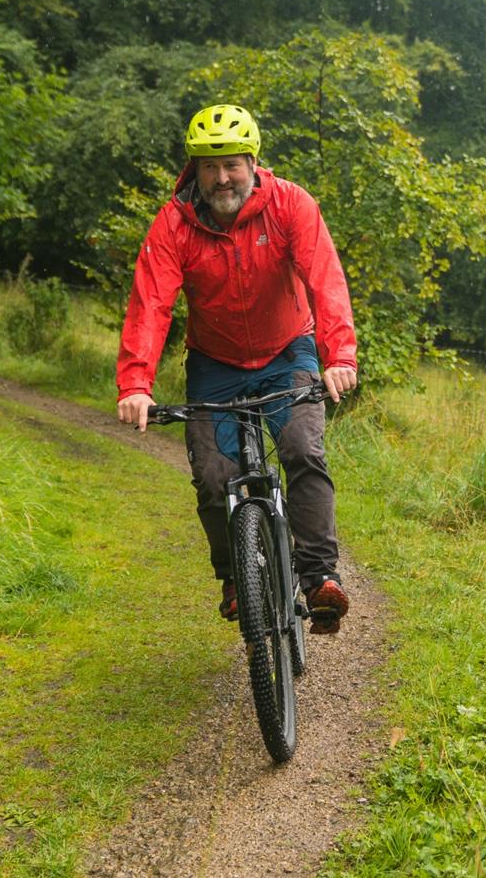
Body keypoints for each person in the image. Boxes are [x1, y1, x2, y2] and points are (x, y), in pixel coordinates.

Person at [114, 104, 358, 633]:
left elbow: (325, 280)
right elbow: (150, 304)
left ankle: (319, 579)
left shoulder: (290, 205)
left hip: (287, 352)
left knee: (302, 449)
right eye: (209, 166)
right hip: (215, 363)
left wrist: (339, 356)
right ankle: (235, 578)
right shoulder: (174, 223)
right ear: (194, 171)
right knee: (212, 475)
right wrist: (136, 383)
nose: (222, 177)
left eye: (232, 164)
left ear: (253, 162)